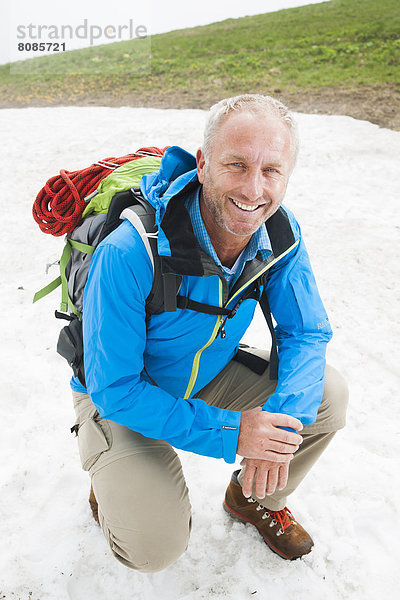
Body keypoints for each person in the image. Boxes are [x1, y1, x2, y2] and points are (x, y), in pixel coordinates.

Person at [70, 94, 348, 571]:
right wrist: (234, 432)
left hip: (207, 372)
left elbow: (306, 332)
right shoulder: (130, 250)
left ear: (287, 175)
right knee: (153, 549)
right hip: (120, 397)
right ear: (202, 164)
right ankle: (111, 476)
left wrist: (277, 427)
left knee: (326, 394)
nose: (254, 188)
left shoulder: (279, 233)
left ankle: (252, 497)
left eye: (271, 171)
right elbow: (114, 386)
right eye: (236, 164)